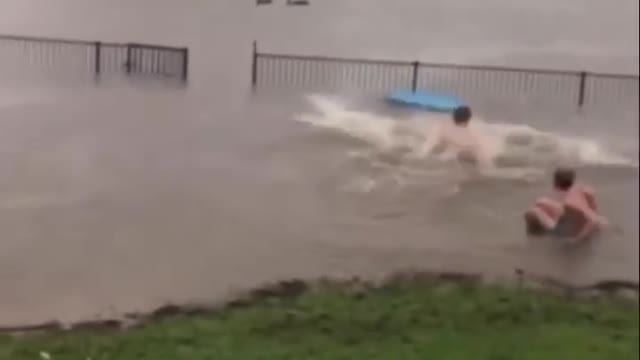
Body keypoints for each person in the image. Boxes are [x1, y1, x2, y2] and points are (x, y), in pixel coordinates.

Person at [524, 167, 608, 242]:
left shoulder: (570, 202)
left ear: (556, 182)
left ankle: (537, 236)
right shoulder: (581, 190)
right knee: (541, 201)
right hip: (573, 220)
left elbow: (592, 220)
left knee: (532, 212)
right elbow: (591, 208)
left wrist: (577, 239)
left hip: (564, 232)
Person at [416, 105, 493, 167]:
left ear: (453, 116)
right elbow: (483, 152)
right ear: (468, 119)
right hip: (472, 156)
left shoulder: (443, 127)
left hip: (451, 157)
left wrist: (421, 155)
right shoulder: (475, 131)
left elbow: (430, 144)